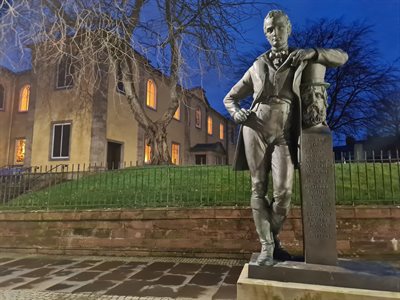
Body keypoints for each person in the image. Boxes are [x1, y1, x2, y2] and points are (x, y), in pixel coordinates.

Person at [223, 10, 348, 266]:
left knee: (284, 192)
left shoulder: (300, 58)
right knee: (258, 187)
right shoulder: (257, 64)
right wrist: (237, 113)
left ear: (288, 29)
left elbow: (342, 57)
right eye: (269, 29)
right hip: (254, 128)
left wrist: (313, 52)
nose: (274, 33)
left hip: (283, 133)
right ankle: (268, 246)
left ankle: (272, 238)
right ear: (265, 33)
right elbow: (230, 97)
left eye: (279, 27)